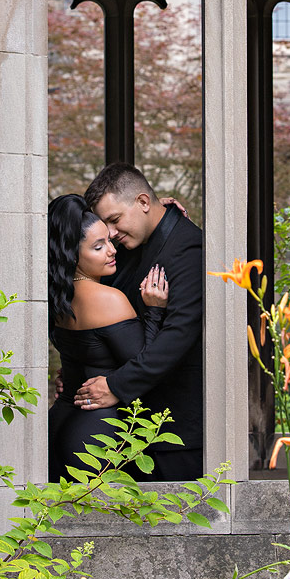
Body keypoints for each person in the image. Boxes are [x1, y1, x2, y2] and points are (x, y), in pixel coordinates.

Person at [78, 163, 203, 480]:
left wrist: (116, 386)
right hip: (131, 427)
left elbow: (177, 336)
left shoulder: (189, 247)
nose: (112, 233)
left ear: (144, 202)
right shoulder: (130, 245)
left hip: (175, 431)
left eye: (115, 220)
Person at [47, 193, 169, 481]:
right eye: (98, 247)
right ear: (73, 256)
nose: (112, 250)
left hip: (59, 422)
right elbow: (146, 363)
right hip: (96, 434)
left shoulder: (58, 298)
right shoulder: (108, 299)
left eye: (110, 240)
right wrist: (154, 311)